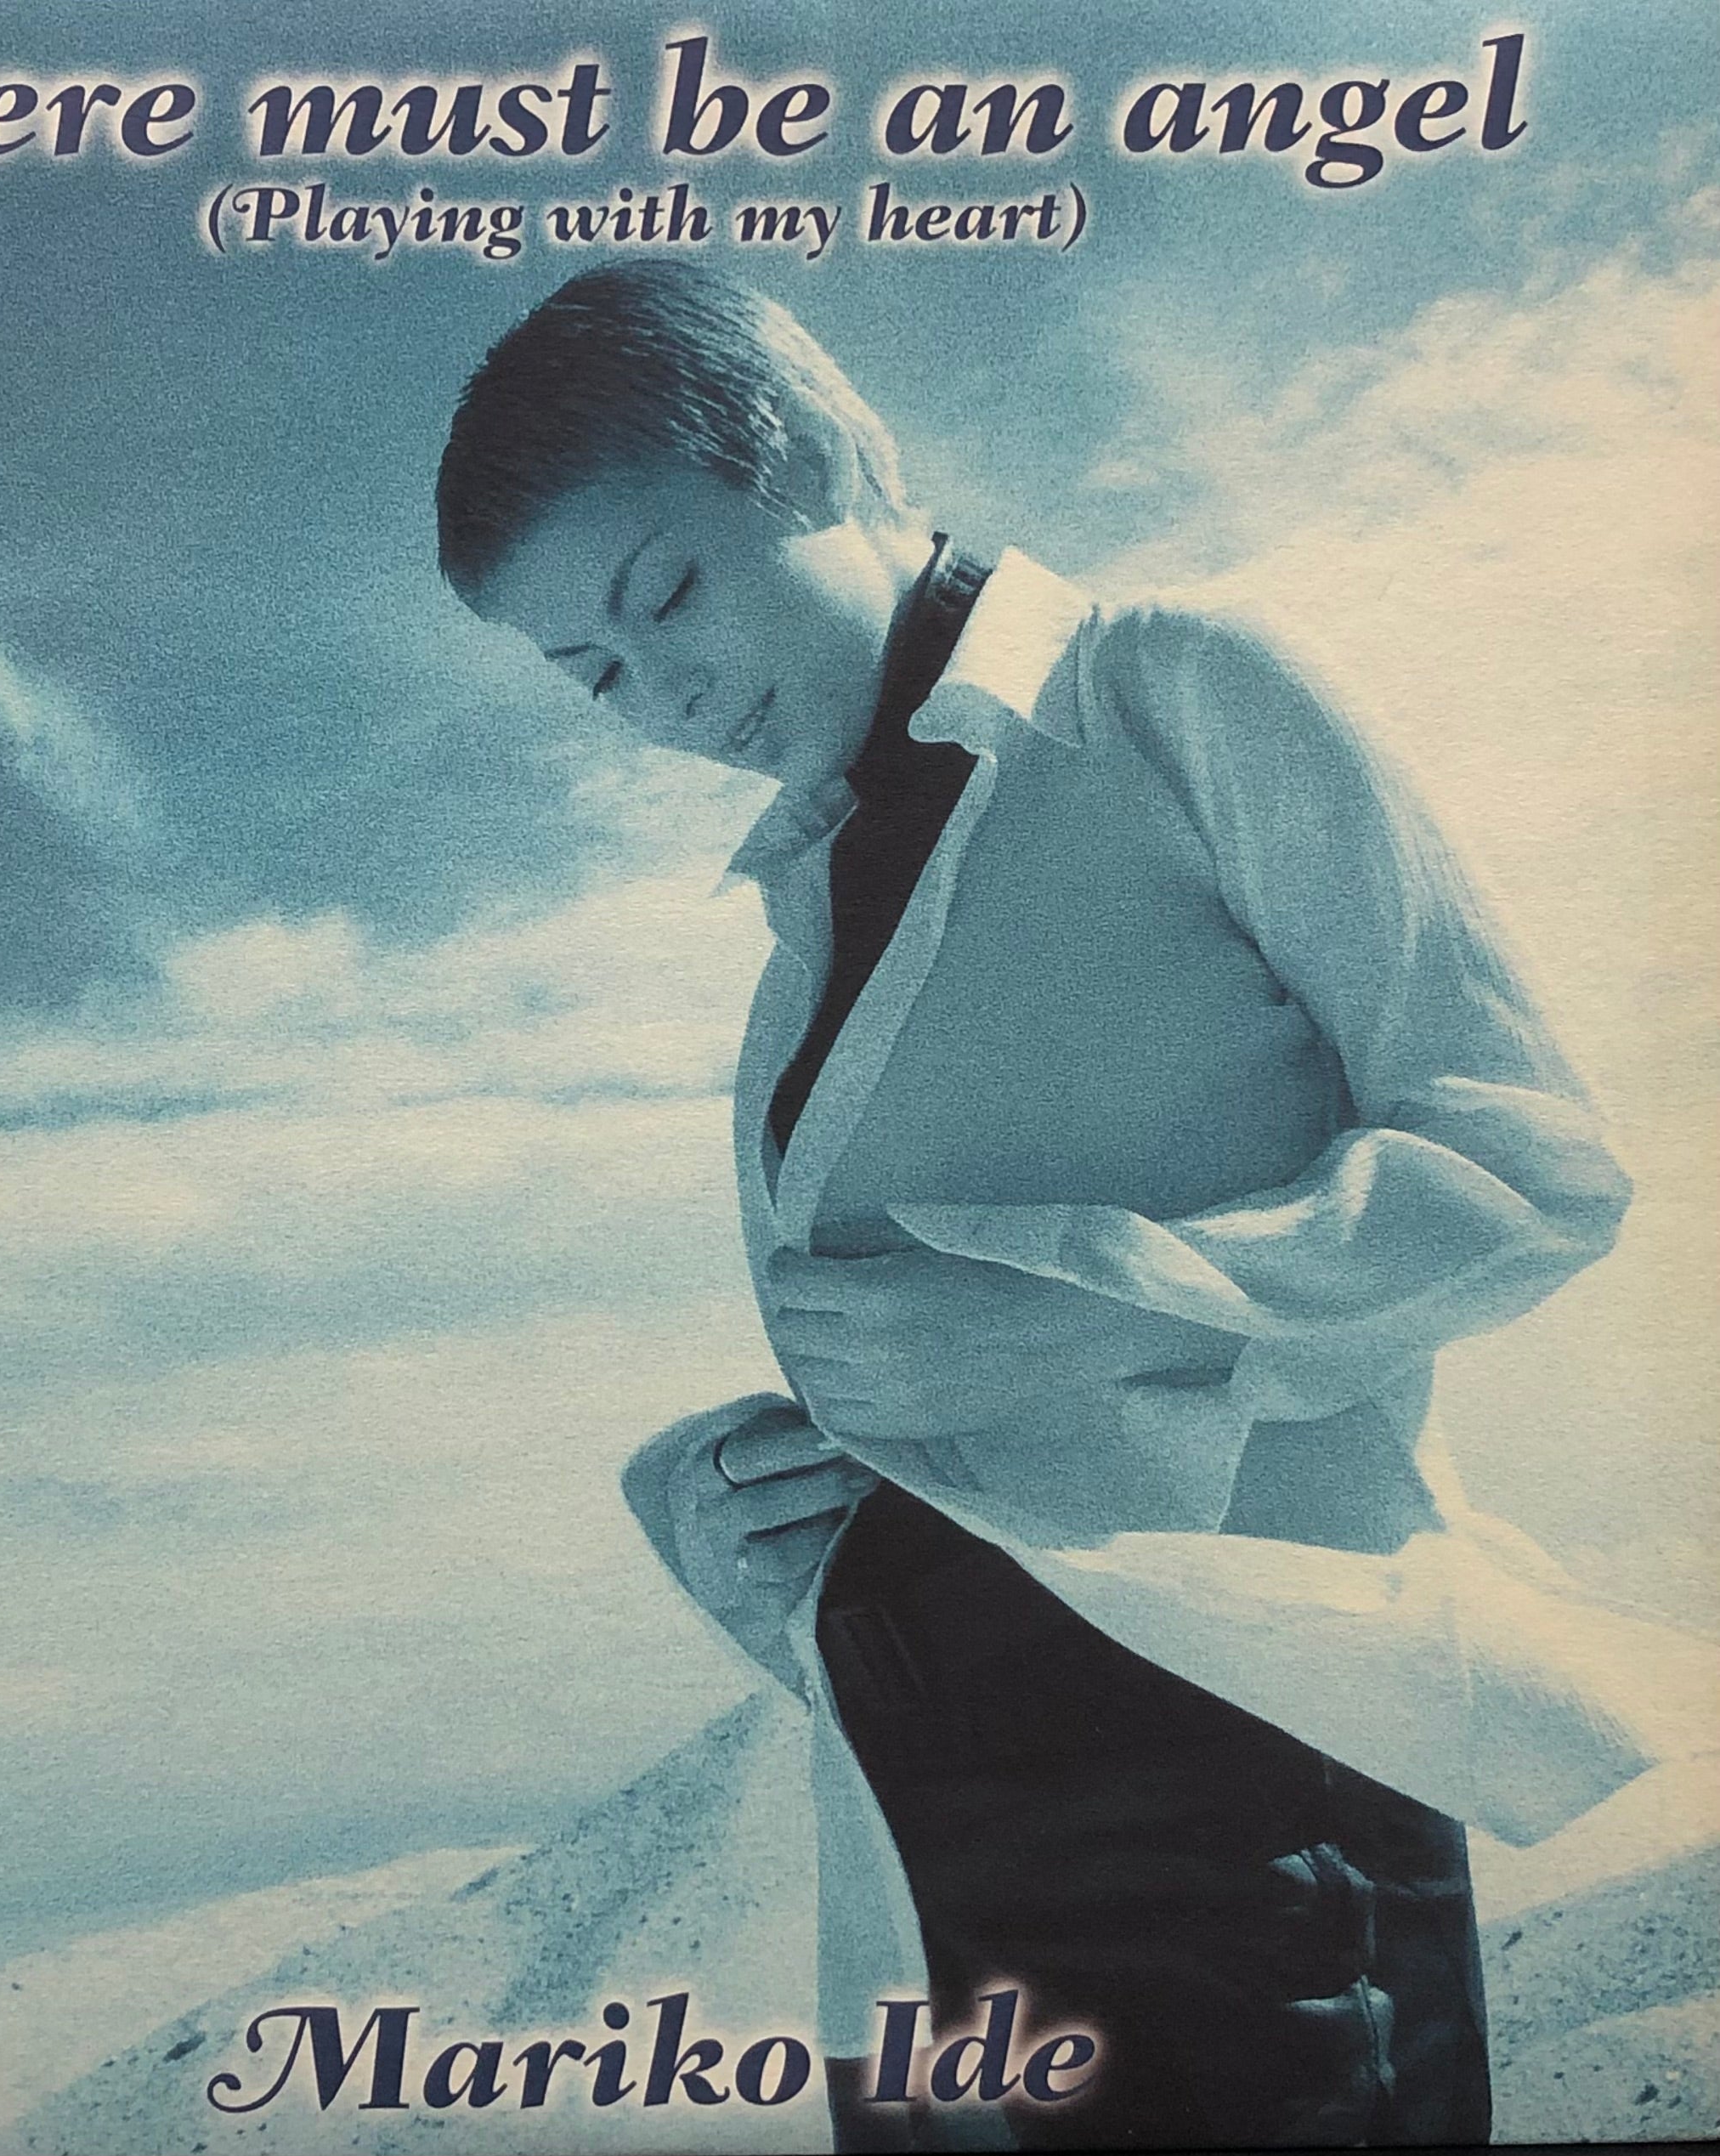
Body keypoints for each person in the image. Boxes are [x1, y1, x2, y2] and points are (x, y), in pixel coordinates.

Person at [433, 262, 1638, 2149]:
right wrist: (741, 1506)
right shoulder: (810, 903)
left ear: (816, 449)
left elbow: (1528, 1169)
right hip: (927, 1816)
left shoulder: (1167, 690)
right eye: (589, 674)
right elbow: (959, 1407)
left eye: (662, 594)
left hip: (1241, 1780)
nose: (658, 694)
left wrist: (1091, 1314)